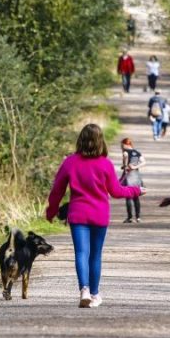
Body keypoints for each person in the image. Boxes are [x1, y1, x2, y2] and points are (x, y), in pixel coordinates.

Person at [46, 124, 144, 308]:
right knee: (95, 255)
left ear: (80, 140)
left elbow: (57, 190)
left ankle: (84, 289)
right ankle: (95, 294)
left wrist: (51, 211)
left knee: (81, 253)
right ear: (101, 142)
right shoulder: (105, 163)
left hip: (78, 214)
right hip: (99, 215)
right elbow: (116, 191)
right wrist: (137, 190)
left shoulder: (70, 162)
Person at [120, 138, 146, 223]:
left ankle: (130, 217)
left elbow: (125, 164)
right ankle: (138, 217)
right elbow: (144, 162)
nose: (121, 147)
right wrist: (135, 167)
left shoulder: (125, 152)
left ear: (126, 144)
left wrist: (124, 166)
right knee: (136, 197)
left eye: (122, 145)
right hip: (136, 175)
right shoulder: (137, 152)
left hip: (128, 176)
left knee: (128, 197)